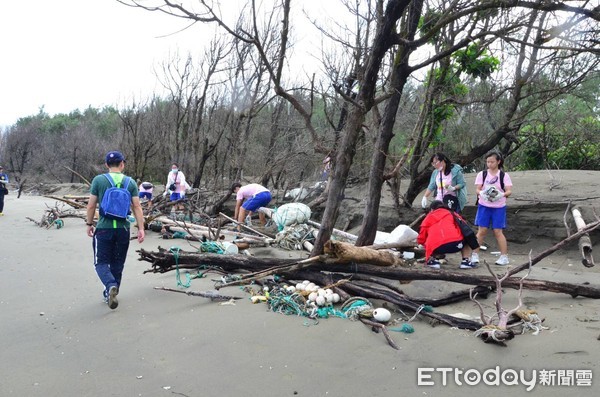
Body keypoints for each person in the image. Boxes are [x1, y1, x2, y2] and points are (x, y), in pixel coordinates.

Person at [86, 151, 145, 310]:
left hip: (104, 229)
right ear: (122, 164)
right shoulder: (130, 182)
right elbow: (137, 207)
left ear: (106, 165)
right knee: (118, 263)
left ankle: (110, 285)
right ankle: (112, 291)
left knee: (101, 263)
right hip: (122, 230)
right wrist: (141, 228)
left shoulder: (99, 180)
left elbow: (91, 205)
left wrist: (89, 224)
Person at [471, 151, 513, 266]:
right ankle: (474, 254)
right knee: (482, 230)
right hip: (484, 205)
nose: (489, 164)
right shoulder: (482, 174)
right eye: (488, 162)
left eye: (492, 162)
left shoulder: (503, 175)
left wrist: (501, 194)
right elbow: (477, 189)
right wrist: (482, 193)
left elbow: (509, 190)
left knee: (498, 231)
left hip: (498, 207)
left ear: (498, 162)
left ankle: (504, 256)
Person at [417, 200, 476, 269]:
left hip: (437, 247)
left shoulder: (428, 217)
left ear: (432, 209)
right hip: (456, 244)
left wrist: (422, 244)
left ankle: (434, 261)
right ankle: (465, 261)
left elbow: (421, 237)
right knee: (467, 235)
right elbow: (465, 227)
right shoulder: (452, 213)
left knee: (432, 240)